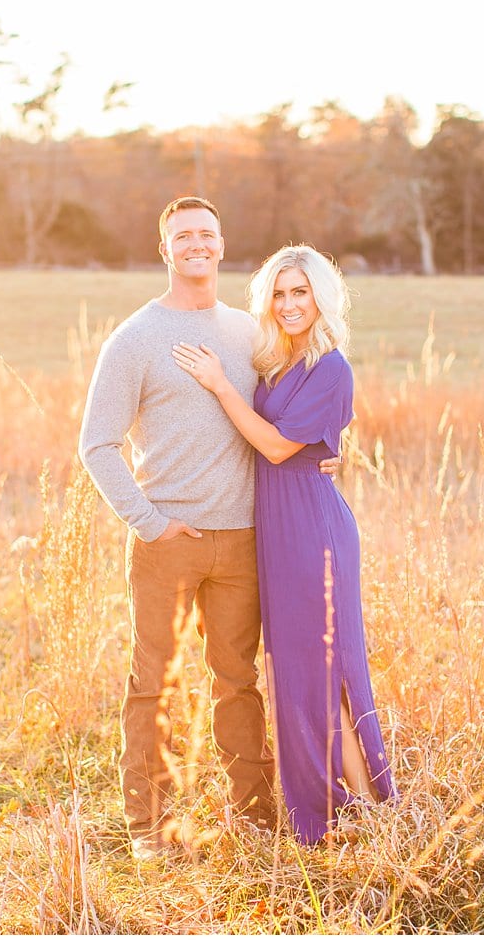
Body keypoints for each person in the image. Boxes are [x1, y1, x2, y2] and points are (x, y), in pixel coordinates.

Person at [78, 197, 339, 859]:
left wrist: (326, 444)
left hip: (246, 539)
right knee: (152, 683)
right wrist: (149, 521)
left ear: (221, 246)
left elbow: (292, 400)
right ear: (165, 250)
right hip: (168, 542)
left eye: (206, 234)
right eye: (182, 235)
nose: (195, 243)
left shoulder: (246, 334)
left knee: (238, 681)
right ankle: (149, 828)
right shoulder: (134, 338)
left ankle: (252, 817)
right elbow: (97, 444)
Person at [172, 244, 395, 844]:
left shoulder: (332, 366)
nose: (291, 304)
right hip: (277, 528)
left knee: (327, 672)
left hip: (313, 534)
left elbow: (274, 448)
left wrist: (221, 387)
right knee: (297, 673)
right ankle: (341, 805)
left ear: (322, 296)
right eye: (280, 293)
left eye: (301, 292)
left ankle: (374, 810)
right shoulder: (272, 360)